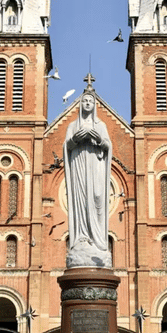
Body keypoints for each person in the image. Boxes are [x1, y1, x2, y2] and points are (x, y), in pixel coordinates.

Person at [63, 90, 113, 269]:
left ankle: (97, 240)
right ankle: (82, 237)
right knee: (81, 203)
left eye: (90, 101)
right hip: (79, 169)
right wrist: (75, 140)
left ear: (94, 105)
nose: (87, 104)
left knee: (97, 198)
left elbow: (108, 145)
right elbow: (67, 145)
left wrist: (99, 139)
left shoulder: (101, 125)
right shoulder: (72, 126)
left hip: (96, 169)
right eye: (84, 101)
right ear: (80, 104)